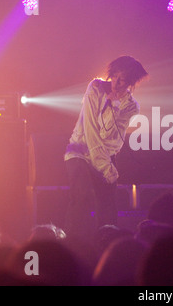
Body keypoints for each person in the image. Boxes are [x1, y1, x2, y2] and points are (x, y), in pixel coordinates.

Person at [64, 56, 148, 241]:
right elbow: (92, 131)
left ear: (131, 82)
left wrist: (114, 105)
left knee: (107, 205)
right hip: (81, 150)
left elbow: (109, 136)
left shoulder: (131, 107)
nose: (115, 82)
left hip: (106, 154)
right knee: (81, 197)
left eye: (122, 79)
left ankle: (107, 244)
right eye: (114, 76)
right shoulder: (95, 87)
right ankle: (73, 243)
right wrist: (104, 167)